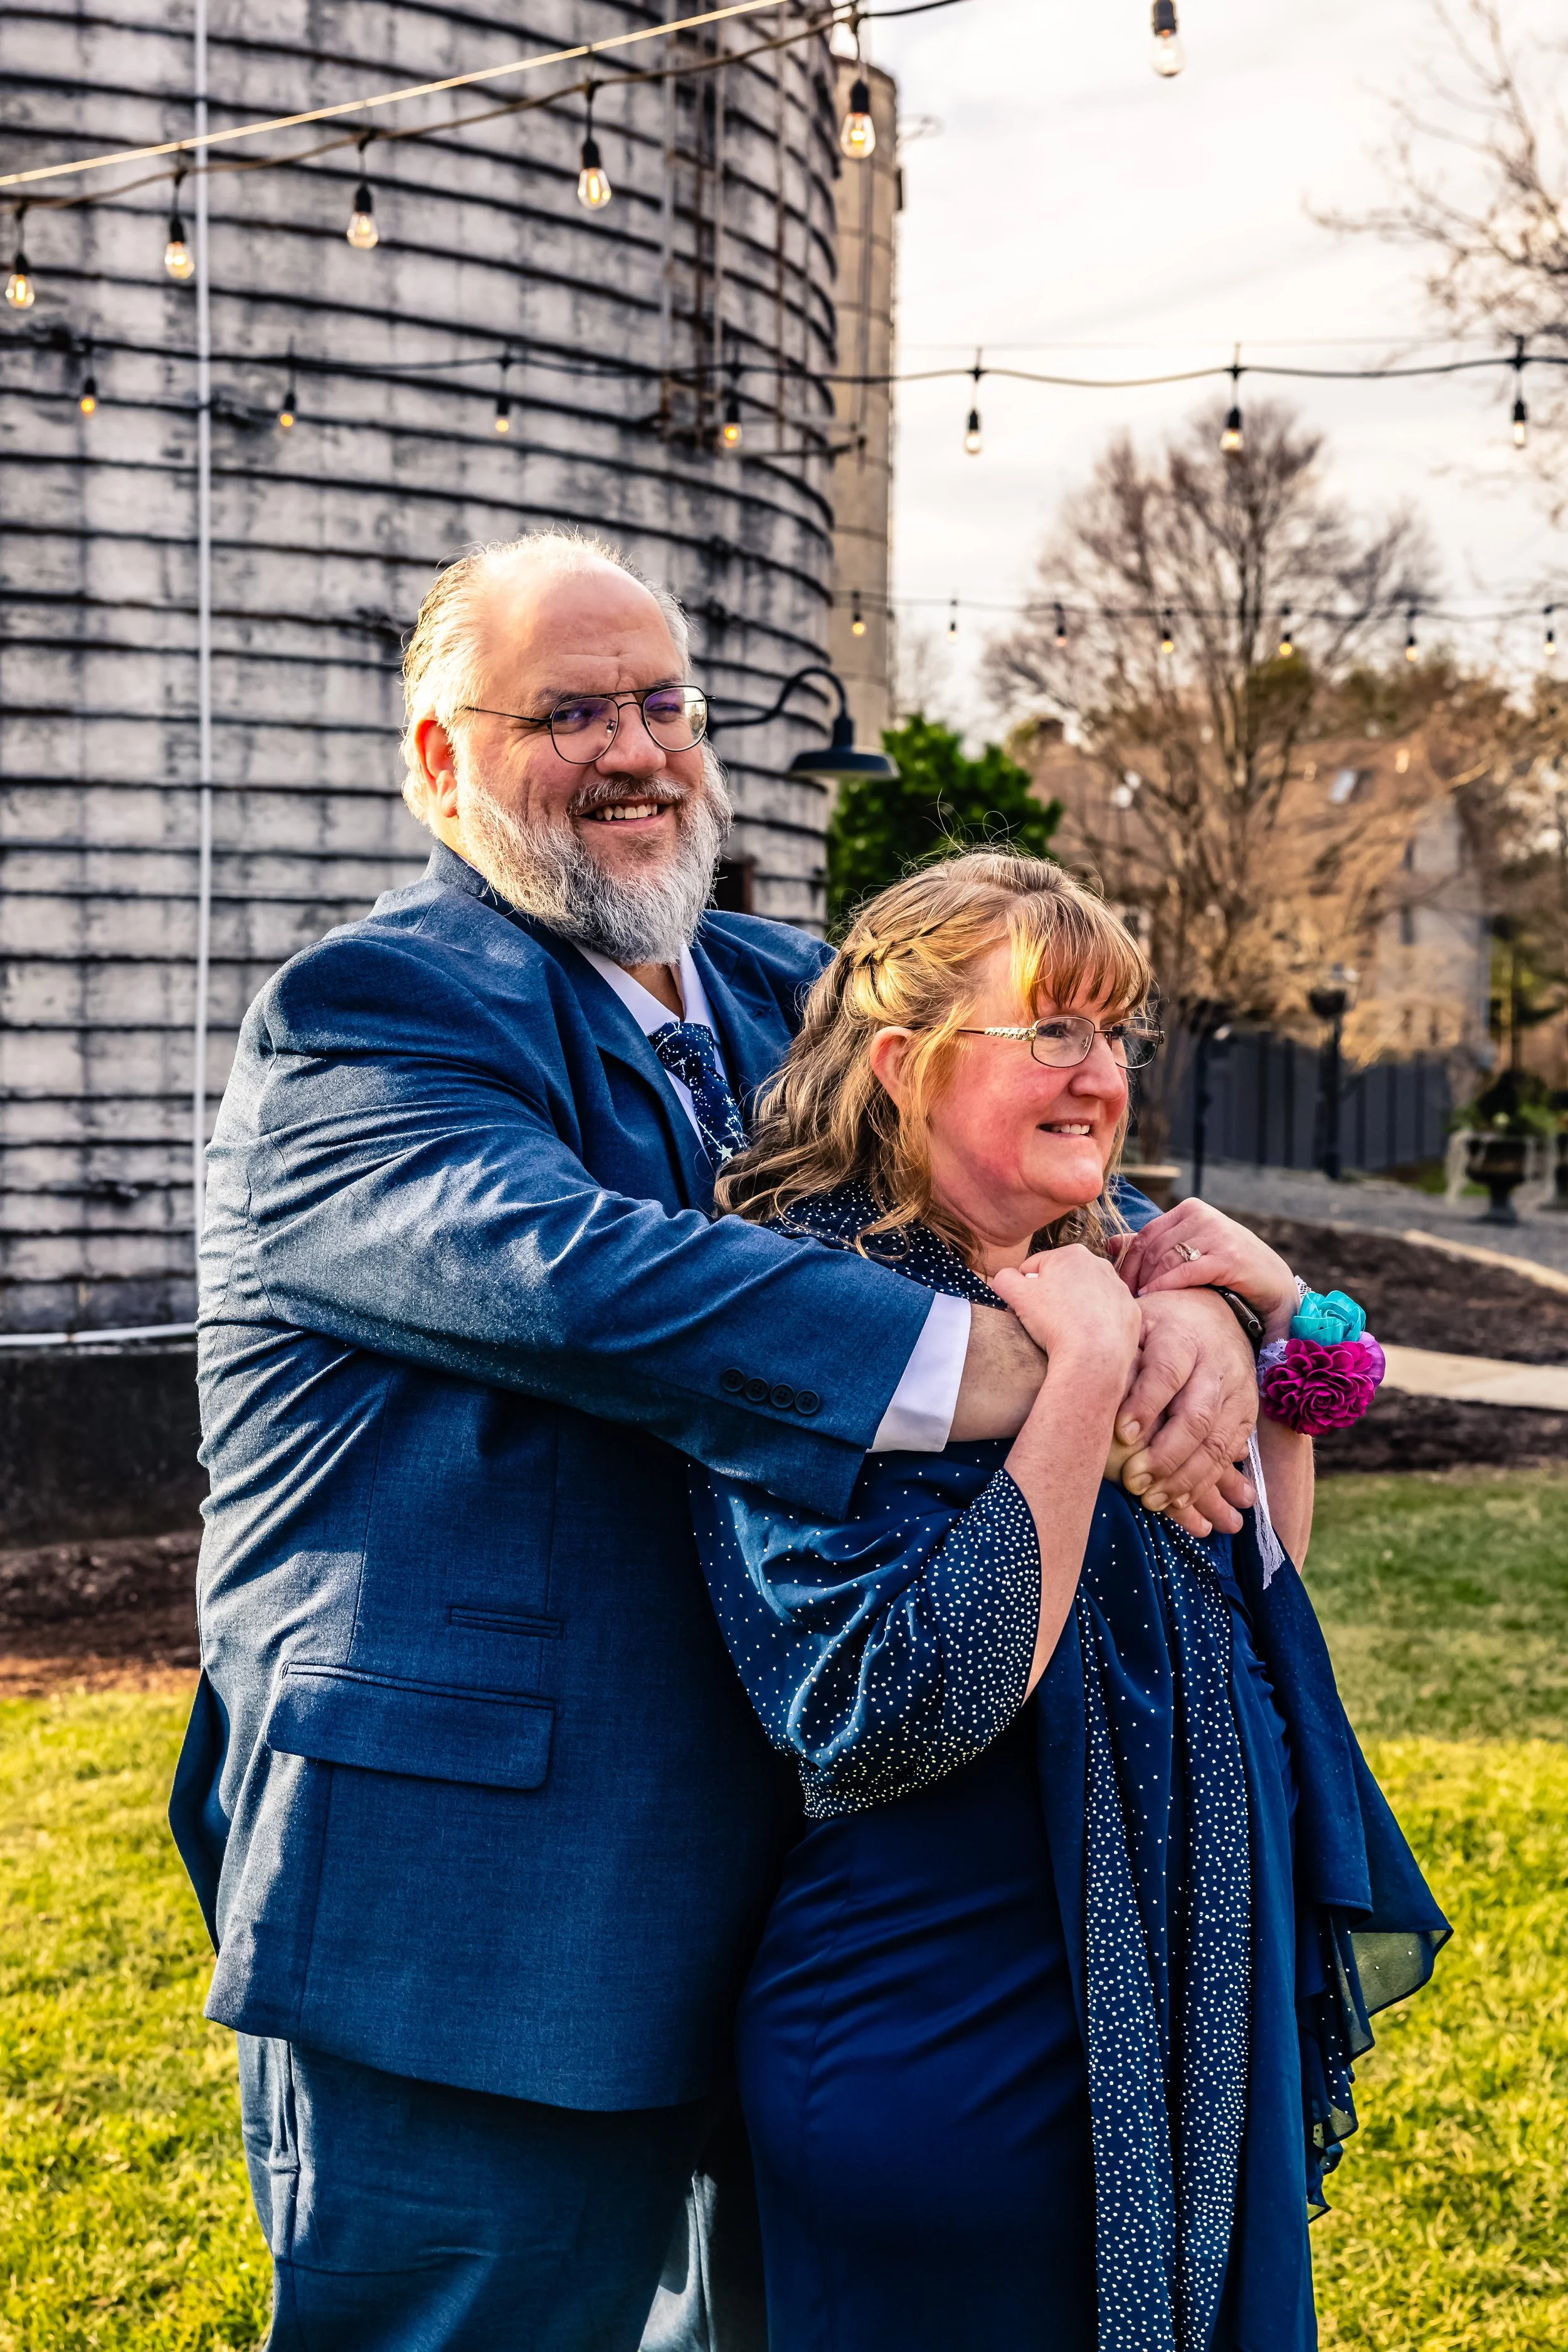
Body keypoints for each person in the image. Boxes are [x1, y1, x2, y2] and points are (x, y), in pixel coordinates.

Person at [167, 530, 1263, 2351]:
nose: (635, 749)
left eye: (665, 703)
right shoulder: (366, 1020)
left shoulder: (786, 989)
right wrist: (1038, 1366)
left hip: (807, 1902)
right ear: (439, 761)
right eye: (568, 711)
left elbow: (1047, 1156)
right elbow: (590, 1282)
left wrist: (1194, 1307)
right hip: (487, 1913)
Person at [692, 849, 1450, 2352]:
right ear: (904, 1067)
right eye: (1052, 1030)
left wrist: (1277, 1328)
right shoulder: (807, 1301)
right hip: (942, 2026)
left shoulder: (1104, 1256)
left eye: (1117, 1034)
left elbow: (1251, 1597)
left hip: (1175, 1986)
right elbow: (890, 1713)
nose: (1101, 1075)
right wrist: (1083, 1373)